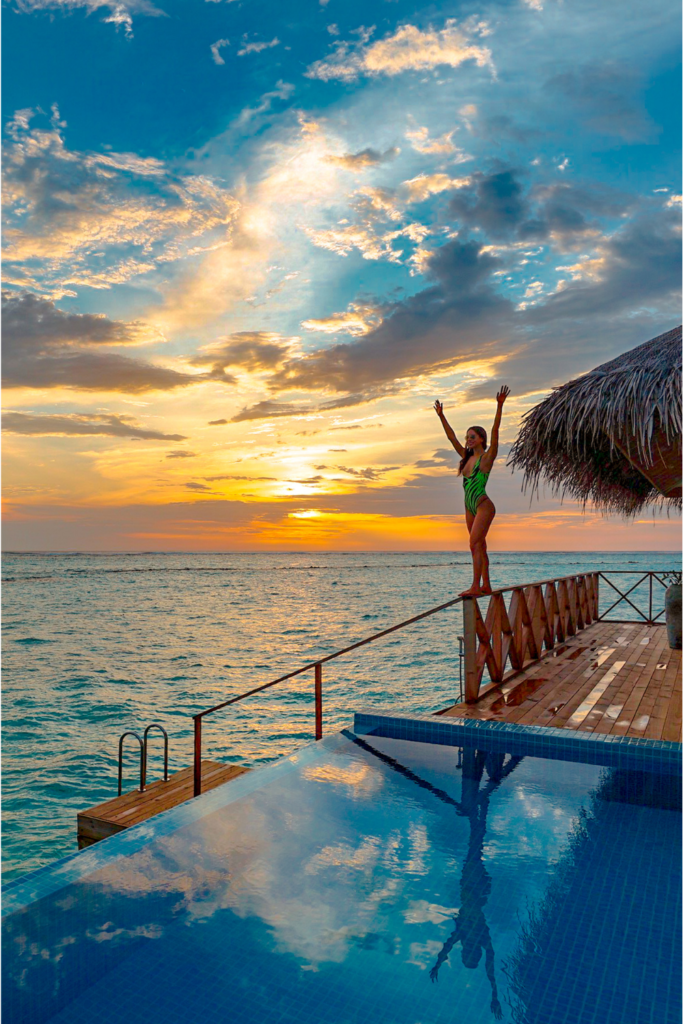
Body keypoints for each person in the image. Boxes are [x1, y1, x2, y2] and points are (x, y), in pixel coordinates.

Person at [434, 387, 510, 596]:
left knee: (474, 543)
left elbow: (495, 433)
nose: (468, 439)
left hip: (483, 505)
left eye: (472, 436)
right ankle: (486, 585)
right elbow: (451, 438)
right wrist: (442, 416)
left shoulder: (486, 458)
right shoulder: (466, 458)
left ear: (481, 439)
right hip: (469, 506)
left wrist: (499, 406)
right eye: (467, 436)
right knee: (479, 547)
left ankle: (476, 586)